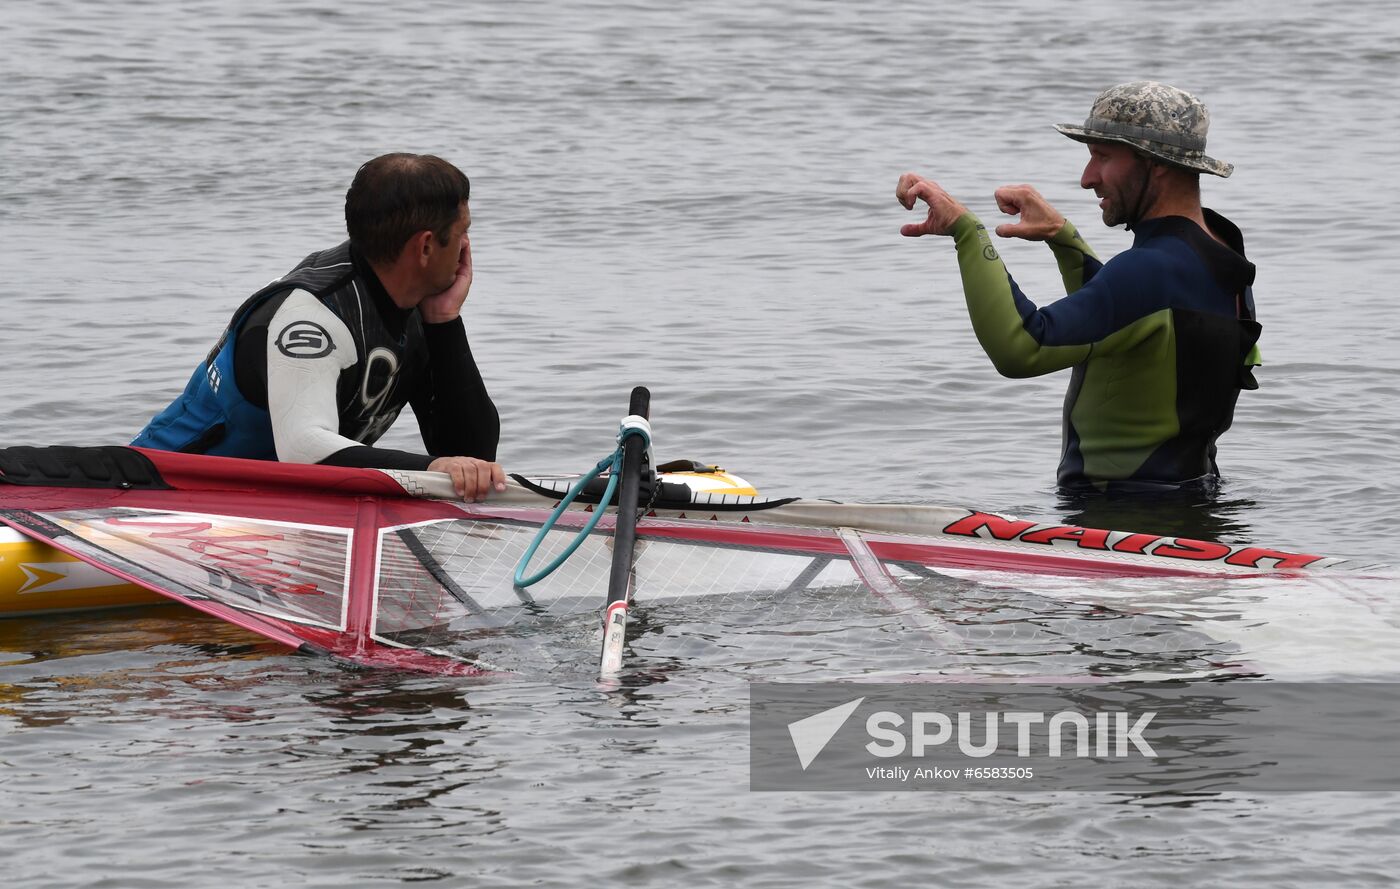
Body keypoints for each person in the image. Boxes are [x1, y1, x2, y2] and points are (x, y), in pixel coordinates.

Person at [897, 81, 1262, 492]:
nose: (1088, 179)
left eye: (1103, 157)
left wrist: (965, 231)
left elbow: (1021, 348)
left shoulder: (1150, 271)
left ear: (1155, 162)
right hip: (1192, 508)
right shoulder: (1220, 252)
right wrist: (1063, 237)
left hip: (1117, 526)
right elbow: (1130, 323)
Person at [132, 153, 505, 501]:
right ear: (425, 247)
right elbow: (304, 450)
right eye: (462, 232)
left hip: (269, 505)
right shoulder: (310, 320)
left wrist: (444, 322)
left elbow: (472, 455)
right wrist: (432, 469)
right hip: (153, 494)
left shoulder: (411, 303)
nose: (467, 246)